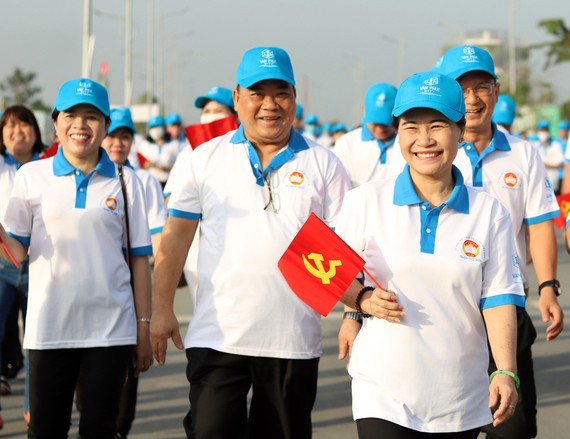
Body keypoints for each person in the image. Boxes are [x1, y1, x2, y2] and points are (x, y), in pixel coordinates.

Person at [150, 46, 351, 438]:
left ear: (294, 97)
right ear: (237, 98)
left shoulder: (324, 164)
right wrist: (161, 309)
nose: (269, 105)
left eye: (281, 93)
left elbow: (345, 247)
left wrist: (353, 314)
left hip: (292, 339)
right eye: (258, 93)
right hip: (218, 333)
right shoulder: (204, 159)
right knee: (210, 431)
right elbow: (175, 239)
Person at [336, 70, 523, 438]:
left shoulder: (488, 212)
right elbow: (322, 270)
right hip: (382, 390)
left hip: (459, 396)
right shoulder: (365, 202)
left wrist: (505, 370)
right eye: (410, 127)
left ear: (459, 128)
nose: (424, 140)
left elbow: (499, 297)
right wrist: (361, 300)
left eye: (437, 125)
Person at [0, 78, 154, 438]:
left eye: (92, 117)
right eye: (71, 115)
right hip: (50, 328)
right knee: (46, 429)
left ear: (104, 126)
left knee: (100, 428)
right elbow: (17, 253)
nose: (81, 125)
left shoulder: (125, 181)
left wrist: (144, 326)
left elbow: (139, 262)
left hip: (110, 330)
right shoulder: (31, 176)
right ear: (55, 123)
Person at [427, 45, 563, 439]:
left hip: (507, 305)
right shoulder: (430, 151)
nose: (471, 99)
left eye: (481, 87)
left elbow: (538, 225)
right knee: (447, 423)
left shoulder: (523, 153)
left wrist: (549, 288)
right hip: (447, 308)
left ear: (496, 90)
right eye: (461, 88)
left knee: (513, 426)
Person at [97, 106, 166, 438]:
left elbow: (156, 238)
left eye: (125, 137)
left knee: (126, 374)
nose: (118, 143)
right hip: (90, 294)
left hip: (127, 291)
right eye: (113, 136)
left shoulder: (144, 181)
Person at [0, 105, 45, 429]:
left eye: (24, 125)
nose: (18, 132)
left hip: (40, 267)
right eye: (10, 126)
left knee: (37, 340)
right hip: (1, 268)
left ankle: (35, 407)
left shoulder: (50, 166)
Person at [334, 82, 398, 187]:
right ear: (363, 110)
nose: (380, 128)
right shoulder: (346, 144)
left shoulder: (405, 144)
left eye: (387, 122)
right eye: (376, 122)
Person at [138, 115, 179, 187]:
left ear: (164, 128)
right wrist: (145, 165)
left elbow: (180, 165)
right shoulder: (144, 145)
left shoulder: (174, 144)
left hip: (169, 183)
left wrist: (166, 168)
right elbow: (137, 164)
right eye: (153, 127)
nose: (155, 130)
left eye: (158, 127)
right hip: (149, 183)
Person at [532, 120, 564, 194]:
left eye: (545, 131)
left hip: (553, 184)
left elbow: (560, 164)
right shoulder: (534, 146)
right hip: (538, 185)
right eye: (541, 131)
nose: (543, 133)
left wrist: (545, 164)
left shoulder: (556, 145)